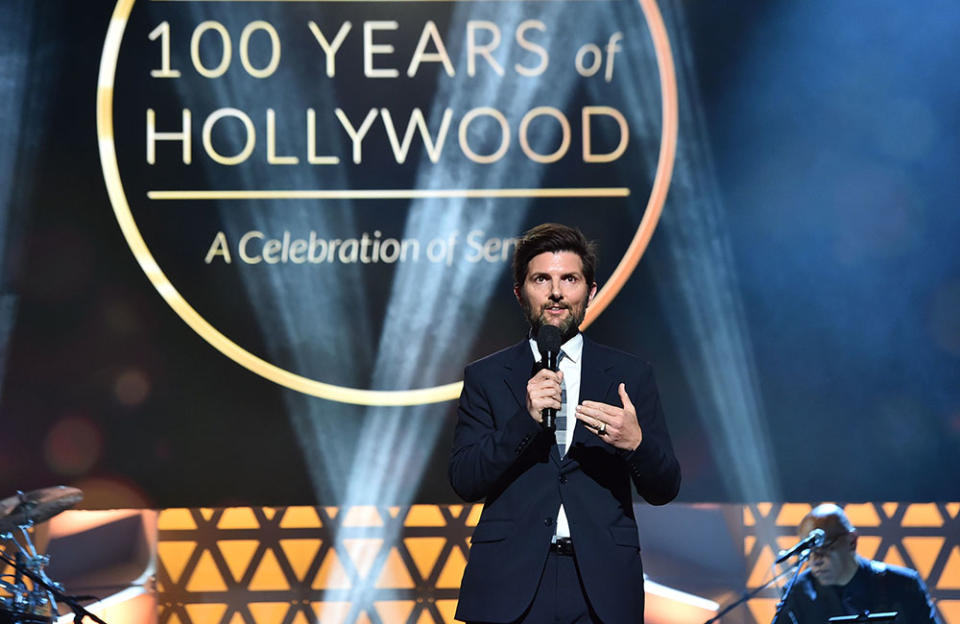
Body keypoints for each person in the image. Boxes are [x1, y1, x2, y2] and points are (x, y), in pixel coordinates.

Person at [448, 223, 681, 624]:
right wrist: (524, 422)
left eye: (569, 279)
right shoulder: (487, 376)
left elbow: (664, 488)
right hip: (509, 583)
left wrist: (635, 445)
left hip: (601, 586)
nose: (556, 292)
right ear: (521, 293)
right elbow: (465, 480)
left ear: (590, 292)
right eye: (542, 279)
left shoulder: (629, 374)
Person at [773, 504, 942, 624]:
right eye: (808, 552)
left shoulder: (903, 584)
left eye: (825, 548)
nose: (816, 560)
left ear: (851, 541)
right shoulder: (797, 593)